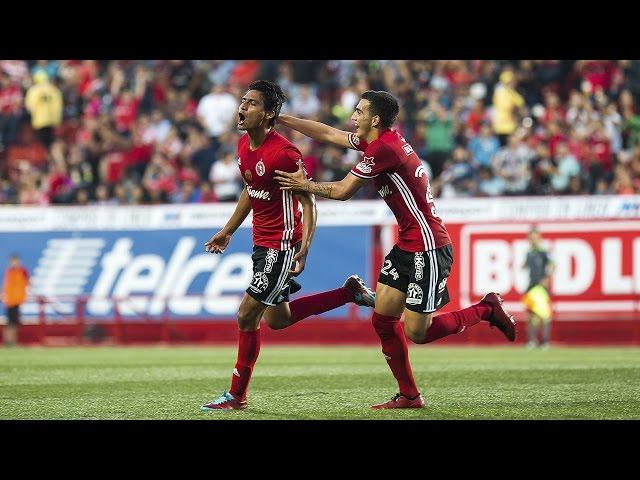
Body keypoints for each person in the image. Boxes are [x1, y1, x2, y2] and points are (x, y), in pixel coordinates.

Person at [274, 90, 517, 409]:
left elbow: (344, 191)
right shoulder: (381, 140)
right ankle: (410, 396)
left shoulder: (384, 149)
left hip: (428, 247)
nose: (353, 117)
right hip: (407, 245)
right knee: (383, 320)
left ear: (374, 119)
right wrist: (282, 119)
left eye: (359, 112)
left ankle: (487, 308)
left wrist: (303, 185)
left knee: (419, 332)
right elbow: (329, 133)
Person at [200, 81, 375, 411]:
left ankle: (236, 395)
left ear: (268, 115)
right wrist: (227, 231)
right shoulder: (243, 147)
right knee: (278, 319)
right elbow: (250, 191)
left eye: (251, 104)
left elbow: (308, 202)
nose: (242, 108)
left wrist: (304, 248)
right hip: (260, 244)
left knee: (246, 315)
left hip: (281, 246)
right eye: (243, 101)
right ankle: (348, 293)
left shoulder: (284, 153)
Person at [522, 226, 554, 349]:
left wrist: (546, 278)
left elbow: (552, 265)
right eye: (531, 238)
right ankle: (532, 341)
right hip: (531, 286)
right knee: (530, 315)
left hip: (541, 287)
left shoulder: (544, 251)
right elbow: (526, 265)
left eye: (535, 238)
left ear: (539, 238)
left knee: (544, 314)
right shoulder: (529, 252)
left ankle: (545, 341)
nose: (533, 240)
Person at [1, 254, 29, 347]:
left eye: (15, 261)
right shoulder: (9, 272)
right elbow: (6, 285)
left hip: (17, 301)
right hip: (9, 301)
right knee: (9, 323)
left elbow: (28, 283)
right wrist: (3, 295)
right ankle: (8, 342)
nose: (14, 263)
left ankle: (12, 342)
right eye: (12, 261)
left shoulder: (22, 271)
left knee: (14, 323)